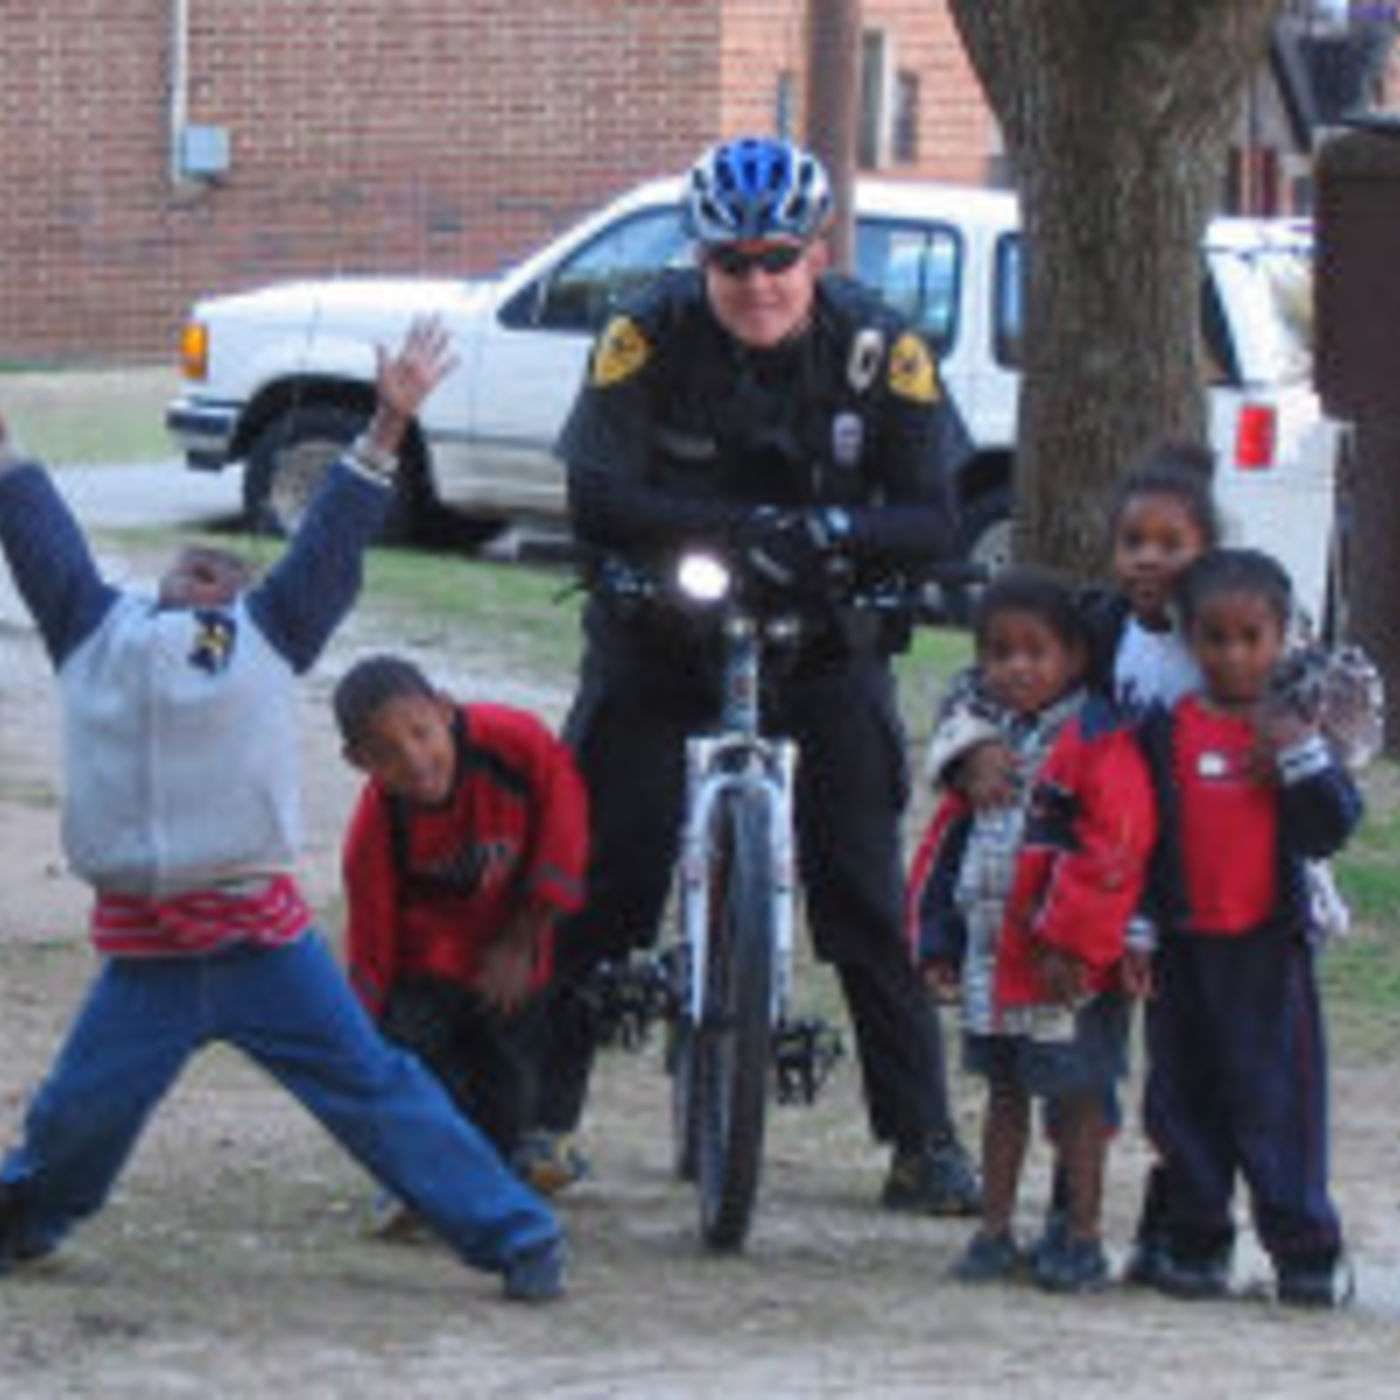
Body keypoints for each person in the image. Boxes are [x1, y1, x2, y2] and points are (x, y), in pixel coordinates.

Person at [0, 320, 566, 1303]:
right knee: (79, 1114)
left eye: (228, 569)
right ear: (155, 590)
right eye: (193, 561)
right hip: (150, 960)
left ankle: (517, 1234)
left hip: (266, 950)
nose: (209, 566)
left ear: (249, 601)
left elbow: (336, 532)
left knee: (379, 1092)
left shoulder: (271, 632)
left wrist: (389, 422)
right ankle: (25, 1220)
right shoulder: (90, 625)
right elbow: (30, 516)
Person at [534, 135, 982, 1212]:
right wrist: (739, 529)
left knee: (862, 889)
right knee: (603, 872)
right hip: (661, 636)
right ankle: (534, 1117)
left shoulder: (878, 342)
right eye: (731, 263)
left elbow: (937, 510)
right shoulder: (645, 333)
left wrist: (829, 532)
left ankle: (921, 1140)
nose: (756, 283)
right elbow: (597, 494)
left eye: (777, 258)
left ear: (816, 252)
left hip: (822, 639)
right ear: (700, 260)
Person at [914, 570, 1156, 1291]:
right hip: (995, 955)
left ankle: (1080, 1236)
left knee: (1080, 1097)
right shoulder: (982, 746)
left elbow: (1116, 845)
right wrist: (937, 941)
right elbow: (945, 847)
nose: (1017, 667)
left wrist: (1073, 942)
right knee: (1003, 1095)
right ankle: (994, 1232)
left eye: (1035, 651)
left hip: (1067, 969)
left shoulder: (1098, 739)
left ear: (1075, 658)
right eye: (999, 652)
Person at [1136, 548, 1362, 1307]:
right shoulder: (1164, 734)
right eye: (1216, 639)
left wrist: (1298, 757)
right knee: (1182, 1101)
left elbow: (1331, 828)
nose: (1235, 656)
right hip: (1183, 952)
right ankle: (1197, 1241)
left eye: (1251, 638)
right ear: (1189, 642)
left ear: (1282, 638)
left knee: (1277, 1103)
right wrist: (1138, 928)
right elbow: (1141, 839)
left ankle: (1304, 1249)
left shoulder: (1296, 731)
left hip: (1268, 953)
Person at [334, 654, 588, 1198]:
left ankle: (520, 1150)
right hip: (433, 961)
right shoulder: (375, 828)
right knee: (413, 1055)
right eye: (386, 754)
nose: (415, 761)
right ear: (358, 762)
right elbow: (372, 937)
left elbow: (565, 827)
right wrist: (363, 1032)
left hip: (518, 938)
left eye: (421, 734)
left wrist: (522, 941)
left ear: (445, 711)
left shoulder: (516, 743)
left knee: (510, 1080)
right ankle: (421, 1174)